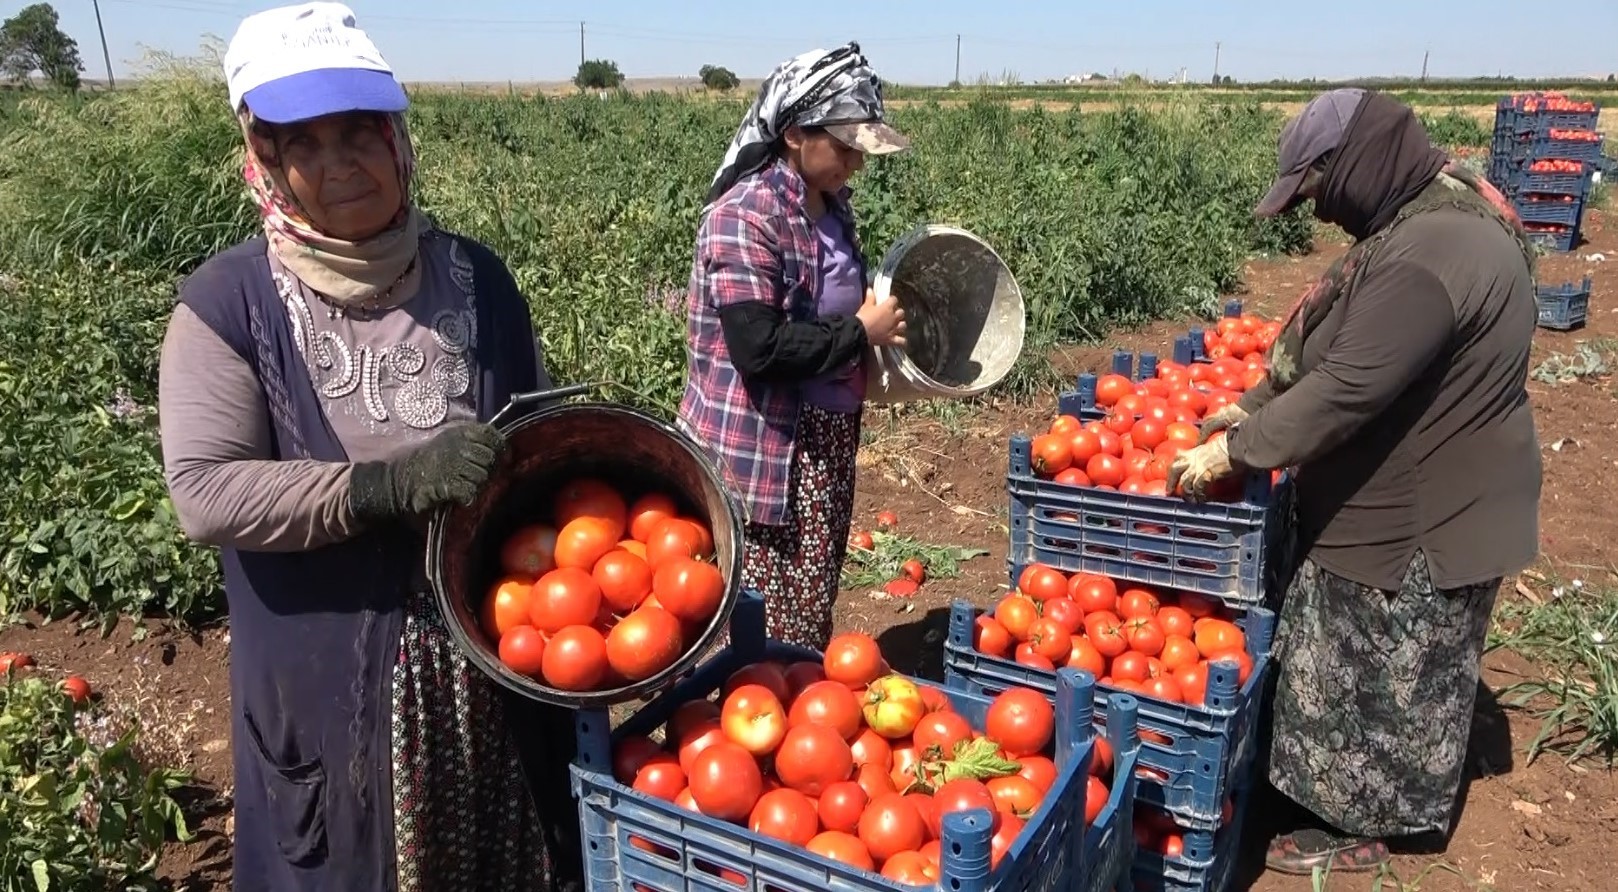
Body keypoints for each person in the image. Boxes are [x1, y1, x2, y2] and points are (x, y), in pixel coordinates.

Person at [156, 4, 582, 890]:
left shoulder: (480, 280)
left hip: (495, 664)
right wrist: (382, 488)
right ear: (266, 162)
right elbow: (206, 490)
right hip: (335, 693)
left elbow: (538, 445)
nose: (340, 162)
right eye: (302, 144)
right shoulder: (228, 305)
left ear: (397, 141)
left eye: (360, 133)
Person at [1168, 88, 1542, 874]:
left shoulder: (1428, 253)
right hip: (1432, 480)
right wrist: (1255, 404)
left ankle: (1369, 820)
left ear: (1357, 162)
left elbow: (1348, 387)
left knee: (1390, 673)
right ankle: (1356, 787)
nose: (1321, 211)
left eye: (1316, 188)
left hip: (1429, 511)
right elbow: (1333, 347)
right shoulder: (1435, 209)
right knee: (1368, 661)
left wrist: (1238, 450)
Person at [677, 42, 910, 650]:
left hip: (825, 440)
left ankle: (802, 704)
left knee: (810, 599)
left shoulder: (831, 206)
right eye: (846, 145)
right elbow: (760, 348)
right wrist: (861, 332)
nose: (856, 163)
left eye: (862, 149)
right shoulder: (745, 217)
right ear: (795, 133)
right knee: (753, 613)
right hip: (763, 446)